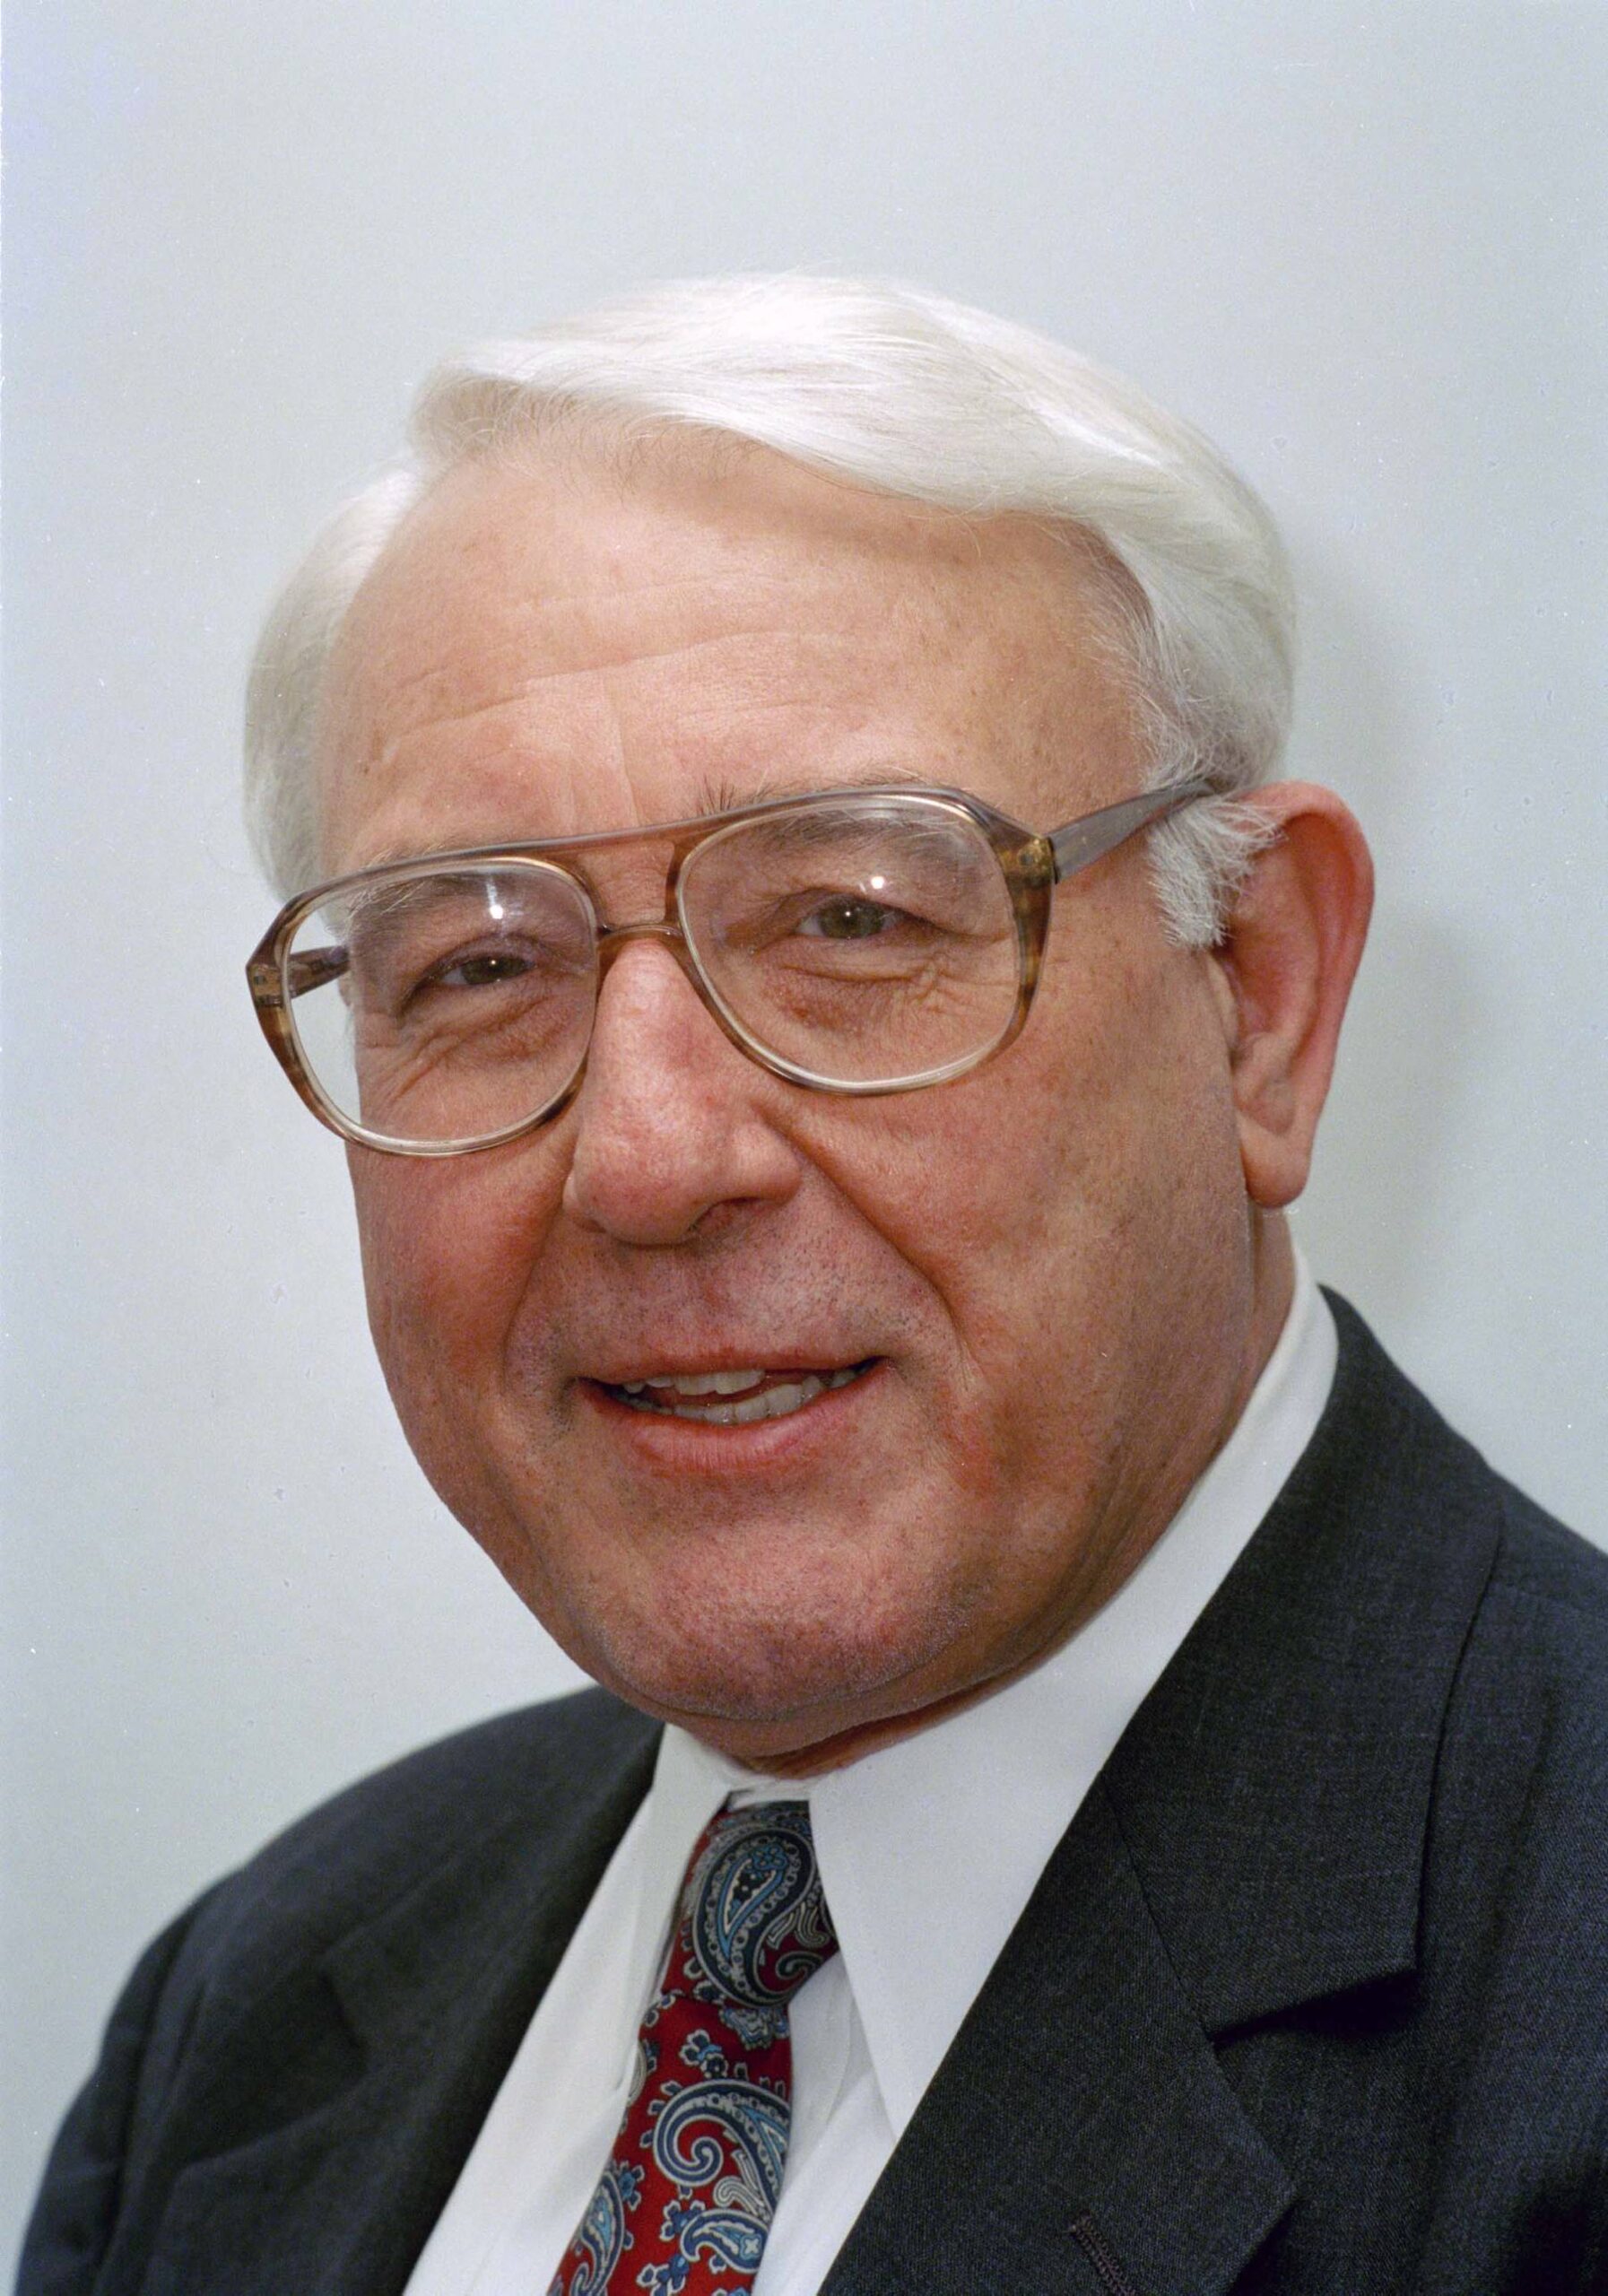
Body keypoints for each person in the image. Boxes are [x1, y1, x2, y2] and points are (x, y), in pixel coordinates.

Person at [19, 276, 1607, 2296]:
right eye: (482, 967)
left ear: (1262, 1003)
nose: (654, 1159)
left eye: (854, 916)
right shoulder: (248, 2013)